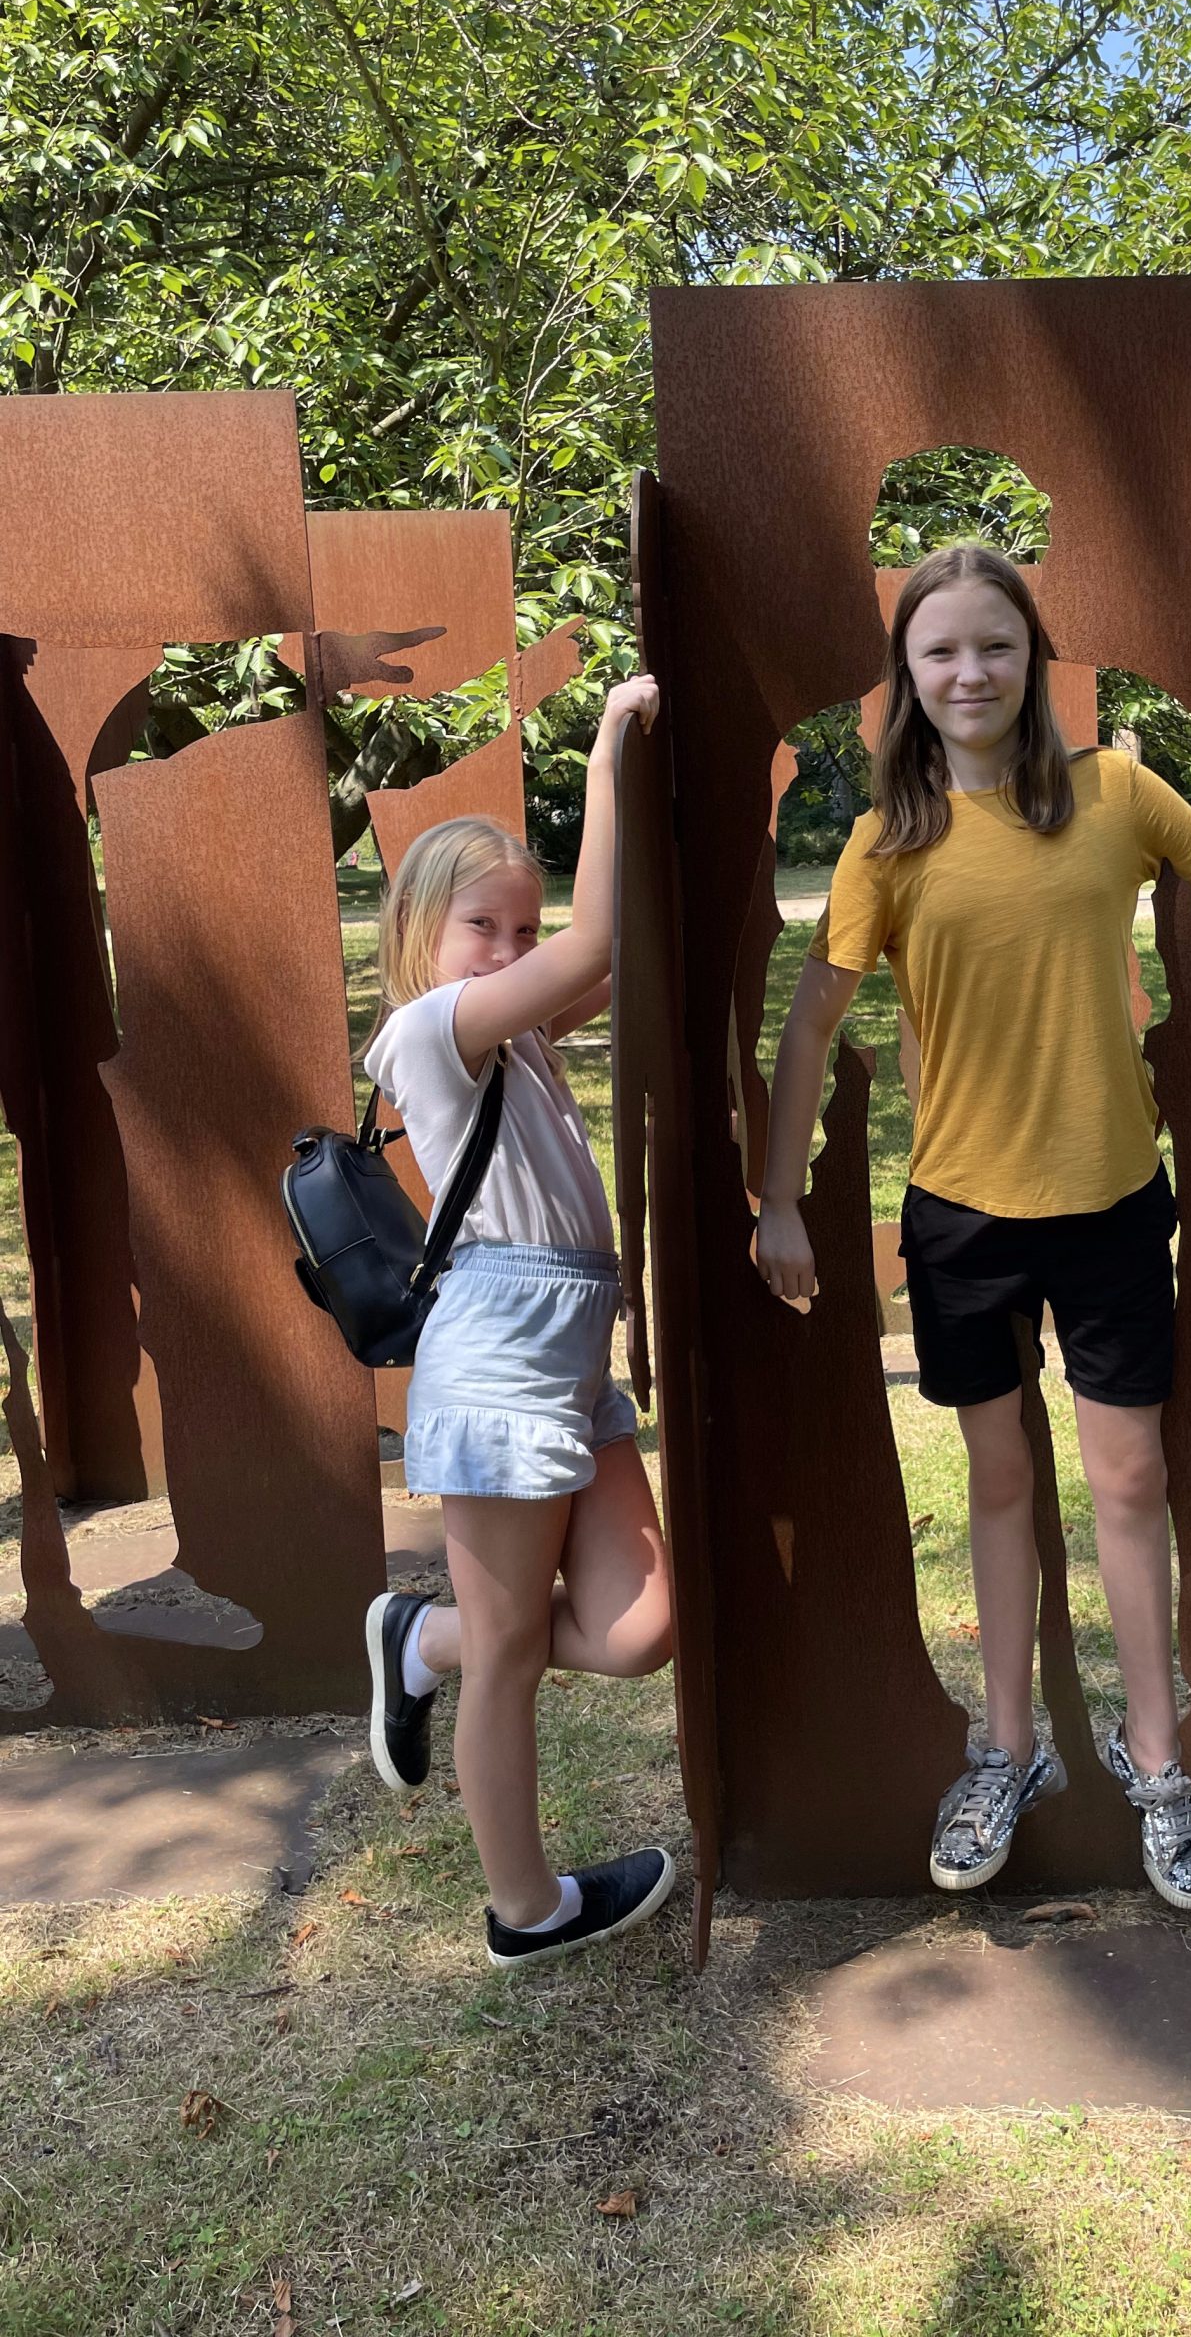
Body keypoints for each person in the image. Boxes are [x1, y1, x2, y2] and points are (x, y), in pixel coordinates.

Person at [754, 543, 1191, 1910]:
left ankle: (1158, 1765)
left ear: (1035, 658)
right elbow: (812, 1021)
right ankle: (1006, 1752)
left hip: (1114, 1209)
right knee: (999, 1487)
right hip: (960, 1221)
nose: (969, 673)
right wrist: (778, 1196)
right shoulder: (888, 842)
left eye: (994, 647)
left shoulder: (1119, 794)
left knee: (1128, 1486)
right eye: (941, 650)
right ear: (908, 674)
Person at [360, 674, 676, 1970]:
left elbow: (609, 950)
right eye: (482, 926)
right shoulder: (430, 1033)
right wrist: (607, 745)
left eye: (520, 929)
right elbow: (593, 953)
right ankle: (522, 1909)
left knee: (641, 1627)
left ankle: (419, 1636)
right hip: (496, 1363)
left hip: (567, 1358)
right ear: (422, 933)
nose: (508, 951)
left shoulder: (519, 1037)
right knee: (514, 1662)